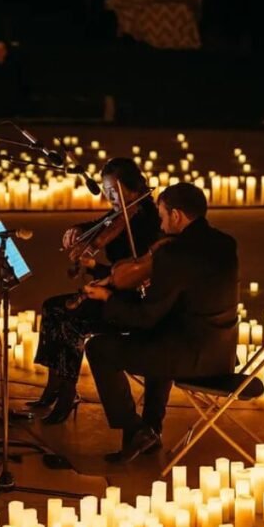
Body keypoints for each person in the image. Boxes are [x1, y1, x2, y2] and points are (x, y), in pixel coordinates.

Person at [81, 182, 239, 463]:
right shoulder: (225, 243)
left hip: (192, 358)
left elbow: (144, 317)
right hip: (221, 353)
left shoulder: (174, 253)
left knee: (99, 348)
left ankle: (136, 428)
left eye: (164, 216)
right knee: (160, 339)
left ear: (177, 215)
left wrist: (108, 298)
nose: (162, 225)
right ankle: (151, 429)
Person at [31, 158, 162, 424]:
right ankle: (54, 387)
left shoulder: (149, 222)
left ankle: (68, 395)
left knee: (70, 320)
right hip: (113, 290)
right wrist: (77, 230)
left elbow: (129, 277)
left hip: (129, 302)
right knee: (52, 307)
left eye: (114, 191)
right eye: (106, 191)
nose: (109, 197)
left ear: (134, 189)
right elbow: (100, 224)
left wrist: (94, 268)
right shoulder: (121, 213)